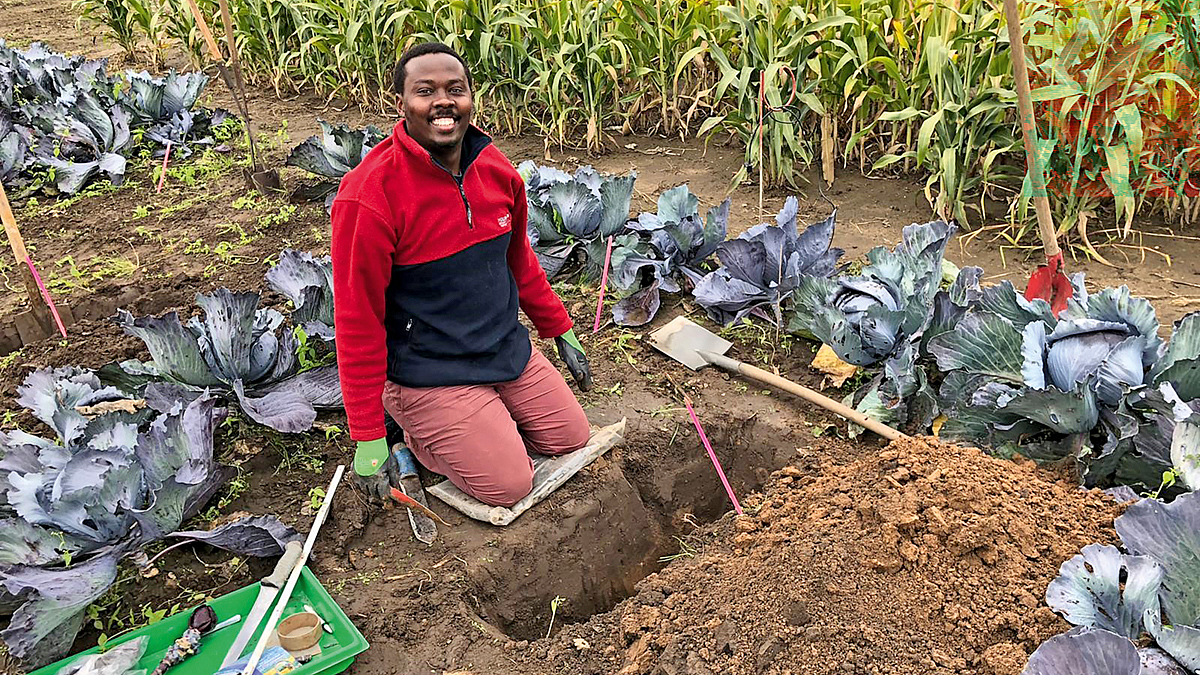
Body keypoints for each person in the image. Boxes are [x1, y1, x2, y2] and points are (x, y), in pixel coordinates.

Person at [331, 42, 594, 509]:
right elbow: (358, 320)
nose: (443, 102)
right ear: (402, 105)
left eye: (455, 89)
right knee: (508, 485)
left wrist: (560, 328)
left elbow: (519, 261)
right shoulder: (370, 196)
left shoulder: (494, 169)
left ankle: (483, 418)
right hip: (428, 370)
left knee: (571, 437)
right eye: (425, 91)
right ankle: (410, 430)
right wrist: (367, 434)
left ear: (472, 98)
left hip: (500, 347)